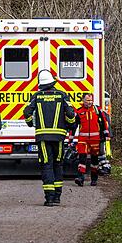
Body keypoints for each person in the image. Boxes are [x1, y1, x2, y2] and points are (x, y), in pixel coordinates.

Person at [23, 69, 77, 206]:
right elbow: (71, 115)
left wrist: (30, 123)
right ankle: (57, 197)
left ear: (40, 83)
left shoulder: (36, 96)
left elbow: (27, 112)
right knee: (57, 164)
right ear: (53, 82)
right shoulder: (62, 95)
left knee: (46, 165)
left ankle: (49, 198)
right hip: (59, 137)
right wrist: (70, 125)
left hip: (42, 137)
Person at [74, 94, 110, 186]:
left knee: (94, 160)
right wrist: (71, 139)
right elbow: (74, 127)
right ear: (83, 100)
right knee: (82, 159)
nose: (89, 102)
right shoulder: (79, 111)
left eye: (90, 100)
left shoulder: (97, 110)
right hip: (83, 139)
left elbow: (104, 123)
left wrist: (106, 134)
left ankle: (94, 179)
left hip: (95, 139)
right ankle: (80, 178)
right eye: (87, 100)